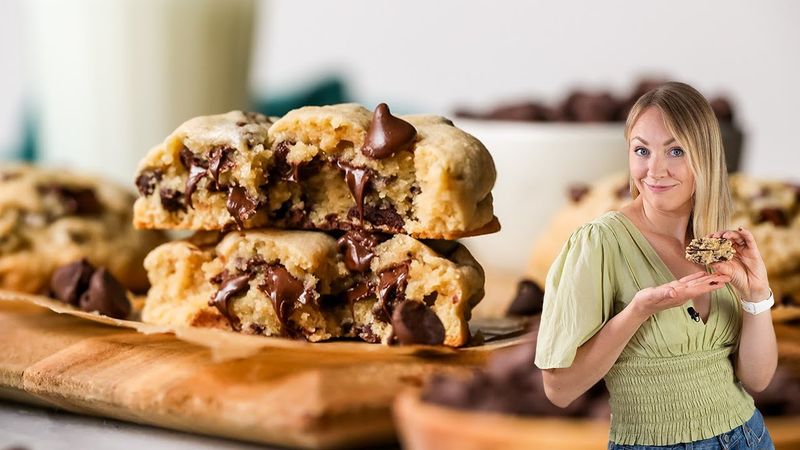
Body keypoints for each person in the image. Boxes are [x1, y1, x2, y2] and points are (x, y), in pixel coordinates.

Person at [535, 81, 777, 449]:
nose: (655, 170)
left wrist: (757, 297)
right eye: (642, 150)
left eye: (676, 150)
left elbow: (757, 380)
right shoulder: (599, 242)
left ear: (706, 156)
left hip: (749, 437)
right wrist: (639, 310)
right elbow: (559, 389)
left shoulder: (717, 243)